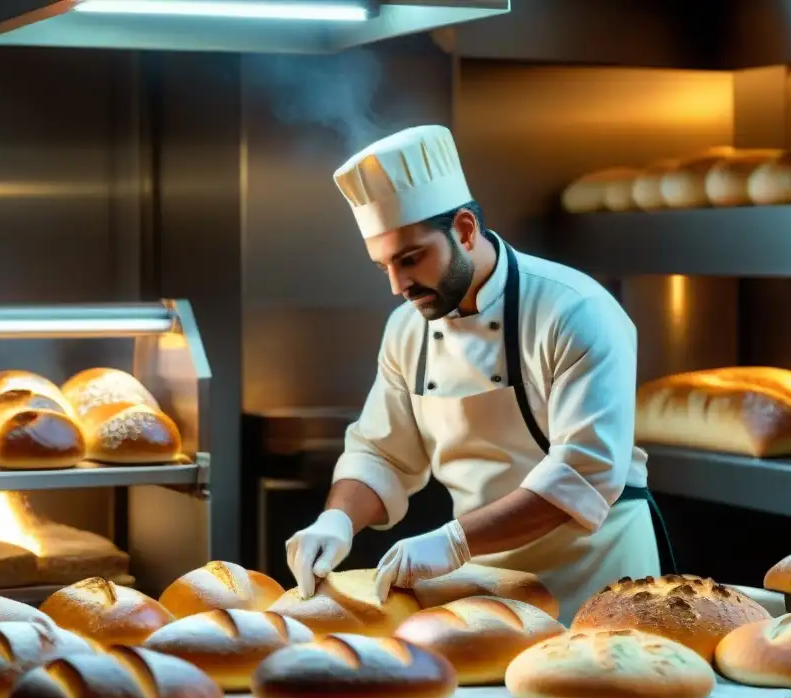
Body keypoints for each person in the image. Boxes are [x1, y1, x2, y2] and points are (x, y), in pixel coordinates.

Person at [285, 125, 672, 622]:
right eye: (383, 267)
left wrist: (454, 542)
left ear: (465, 230)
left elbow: (581, 474)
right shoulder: (408, 327)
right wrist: (335, 521)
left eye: (410, 259)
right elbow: (382, 453)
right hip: (485, 585)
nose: (398, 285)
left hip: (597, 580)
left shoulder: (575, 311)